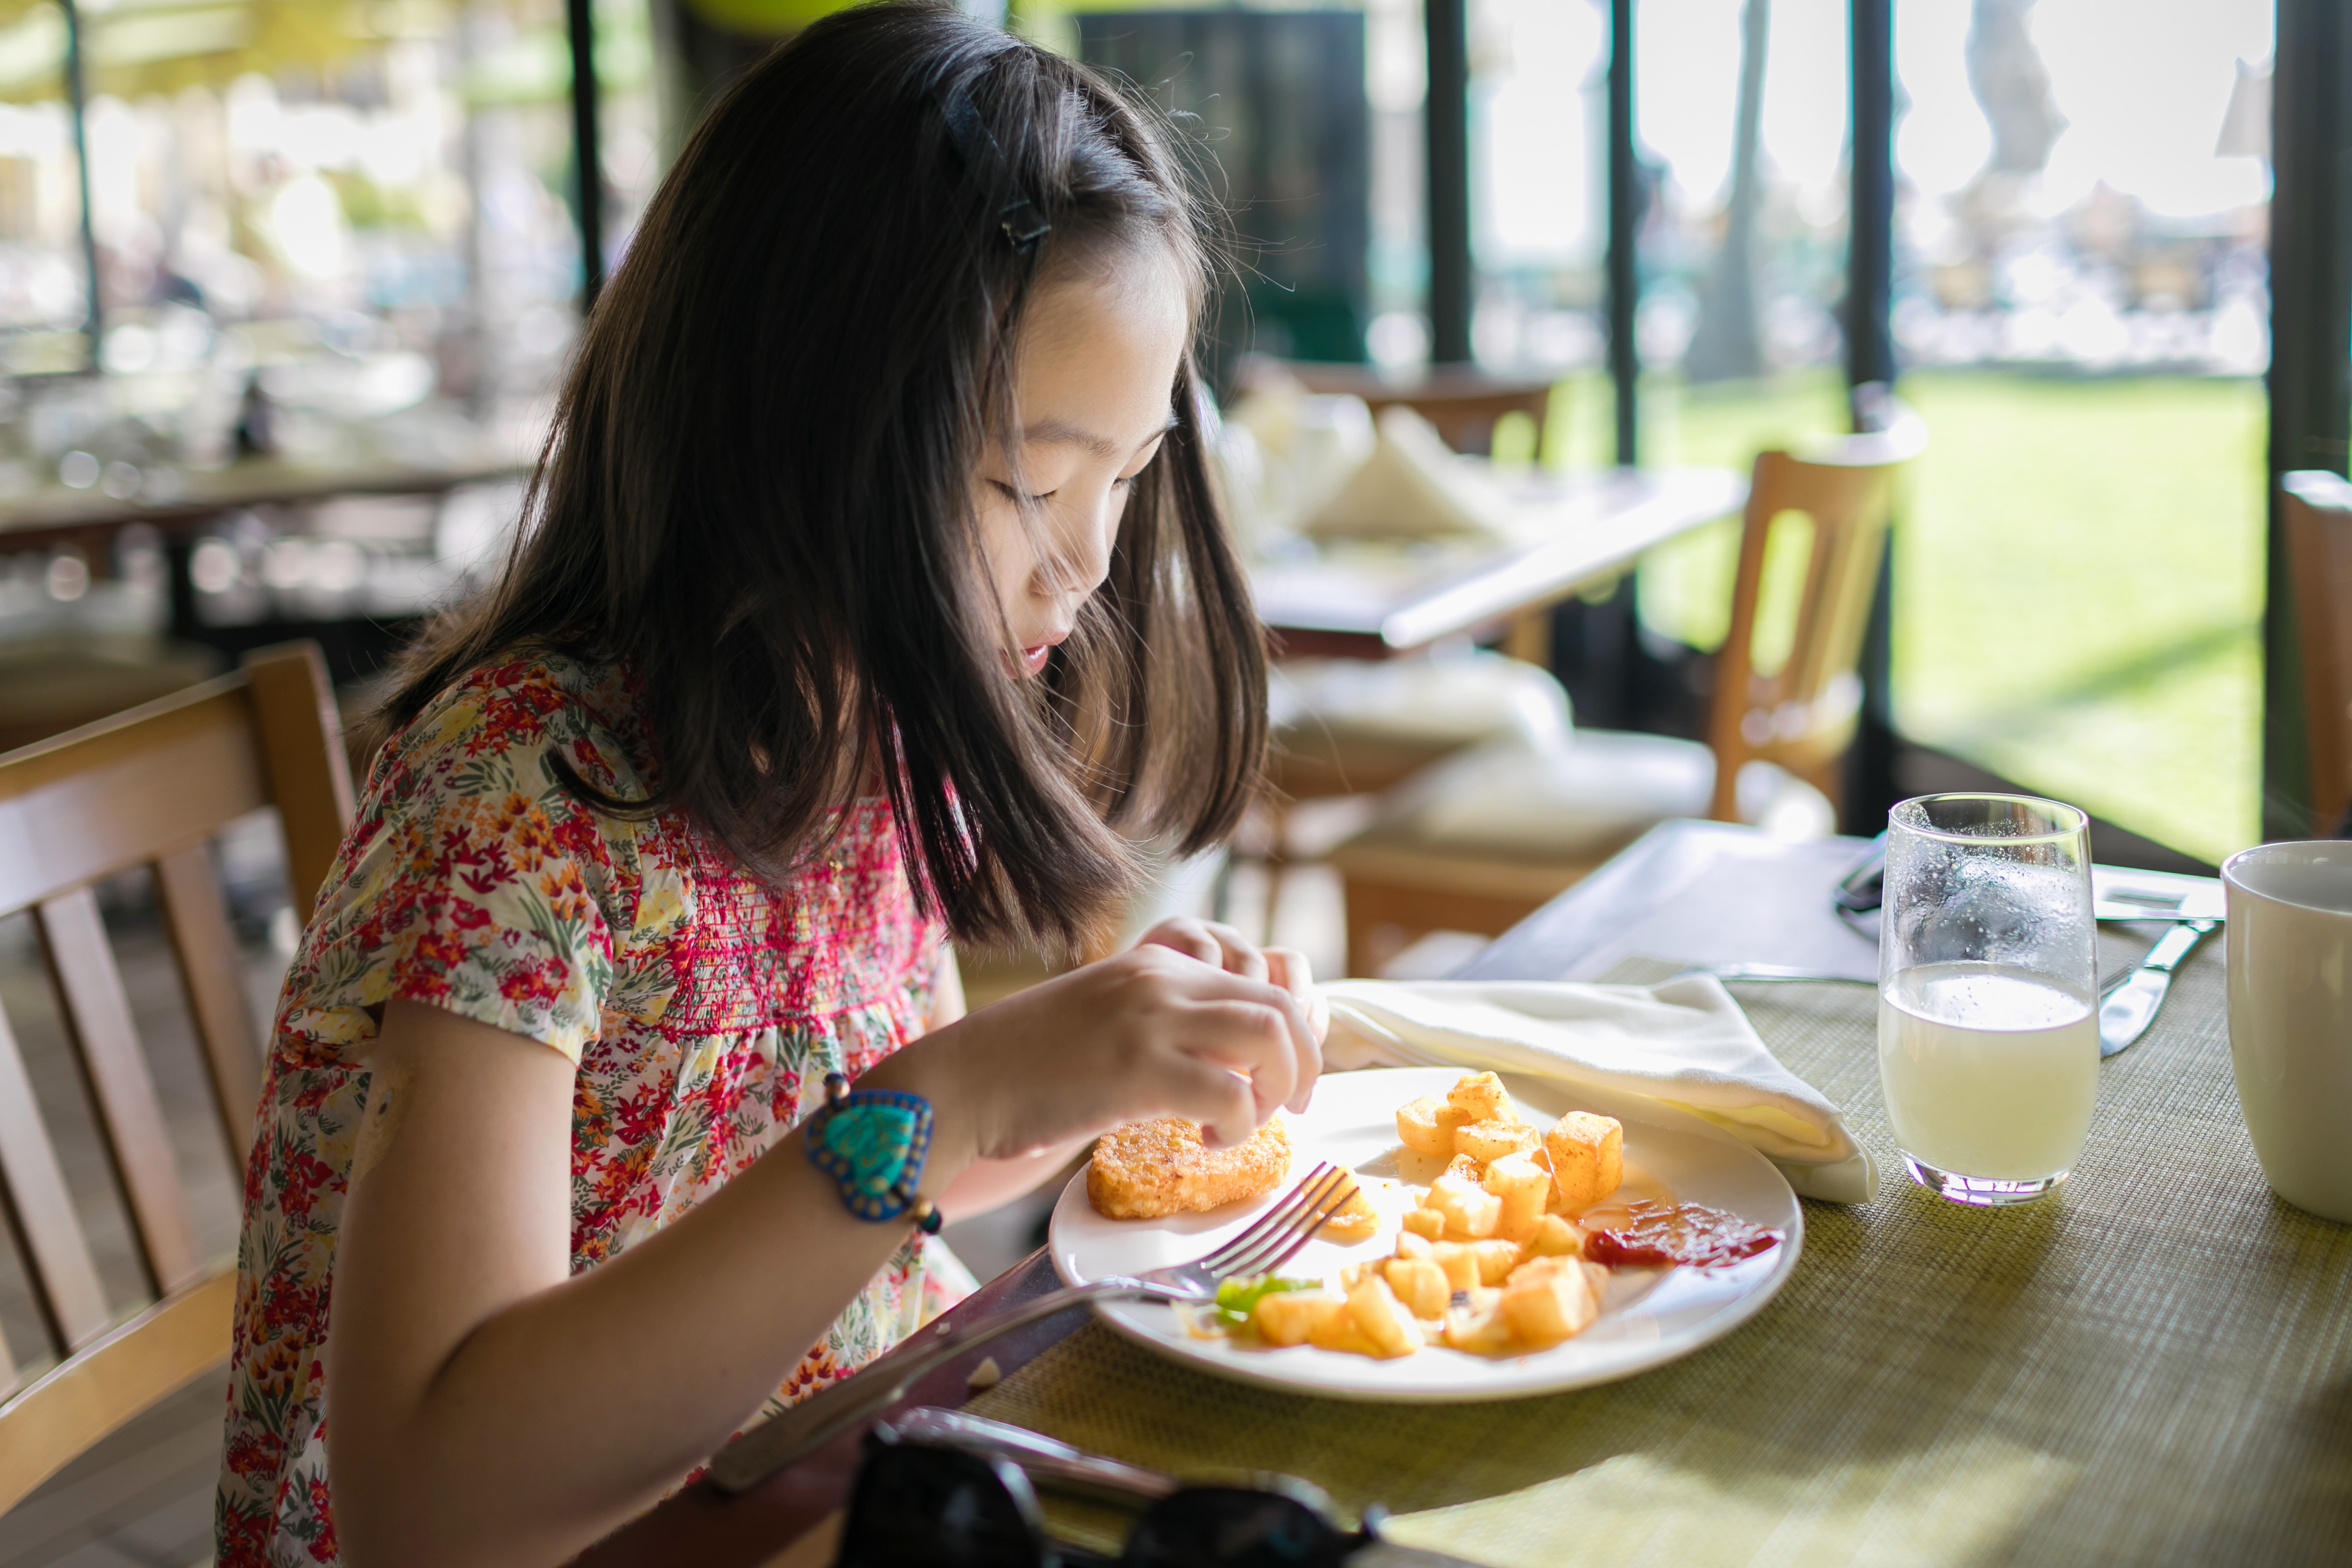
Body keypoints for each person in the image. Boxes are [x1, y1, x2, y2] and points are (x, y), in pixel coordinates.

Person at [215, 7, 1323, 1562]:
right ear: (802, 420)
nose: (1086, 558)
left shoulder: (860, 711)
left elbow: (886, 1155)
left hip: (823, 1466)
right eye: (1029, 482)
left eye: (1125, 481)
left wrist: (1090, 1065)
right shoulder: (515, 809)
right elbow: (432, 1502)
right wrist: (952, 1099)